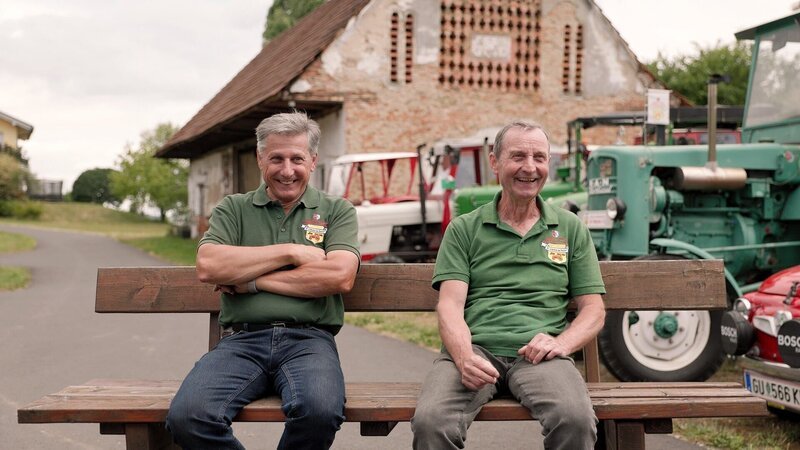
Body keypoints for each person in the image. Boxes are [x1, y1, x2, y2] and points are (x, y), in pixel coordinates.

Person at [166, 112, 360, 450]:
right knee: (188, 417)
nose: (287, 170)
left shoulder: (336, 210)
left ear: (313, 161)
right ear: (260, 159)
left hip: (309, 342)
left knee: (319, 412)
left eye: (297, 158)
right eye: (276, 158)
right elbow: (209, 266)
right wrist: (291, 252)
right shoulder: (234, 209)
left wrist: (251, 281)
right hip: (242, 342)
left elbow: (340, 276)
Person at [411, 120, 606, 450]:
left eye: (539, 158)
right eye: (518, 156)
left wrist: (562, 343)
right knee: (432, 422)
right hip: (476, 349)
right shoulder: (464, 229)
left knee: (574, 419)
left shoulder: (570, 228)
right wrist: (462, 356)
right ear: (494, 162)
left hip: (540, 356)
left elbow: (594, 308)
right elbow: (450, 305)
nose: (530, 168)